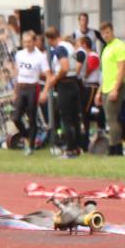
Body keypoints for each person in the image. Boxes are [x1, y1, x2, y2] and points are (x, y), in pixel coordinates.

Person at [42, 27, 85, 157]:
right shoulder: (70, 46)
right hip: (74, 83)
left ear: (49, 39)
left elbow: (64, 67)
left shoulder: (60, 48)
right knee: (74, 119)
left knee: (66, 120)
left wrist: (55, 78)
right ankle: (77, 147)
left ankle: (70, 150)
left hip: (65, 85)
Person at [12, 29, 49, 153]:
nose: (27, 44)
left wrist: (45, 92)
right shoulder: (19, 54)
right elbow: (17, 73)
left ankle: (31, 146)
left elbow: (48, 75)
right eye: (25, 42)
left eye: (29, 42)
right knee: (16, 117)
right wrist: (15, 91)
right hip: (21, 88)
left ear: (34, 42)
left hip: (33, 88)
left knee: (31, 118)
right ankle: (28, 136)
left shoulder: (40, 56)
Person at [96, 21, 125, 156]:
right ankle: (116, 146)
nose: (105, 35)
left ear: (112, 31)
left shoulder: (119, 46)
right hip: (106, 86)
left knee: (112, 118)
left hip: (116, 86)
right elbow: (106, 72)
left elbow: (122, 69)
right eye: (103, 33)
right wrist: (99, 91)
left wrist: (116, 88)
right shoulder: (106, 48)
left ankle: (114, 147)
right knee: (109, 118)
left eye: (107, 32)